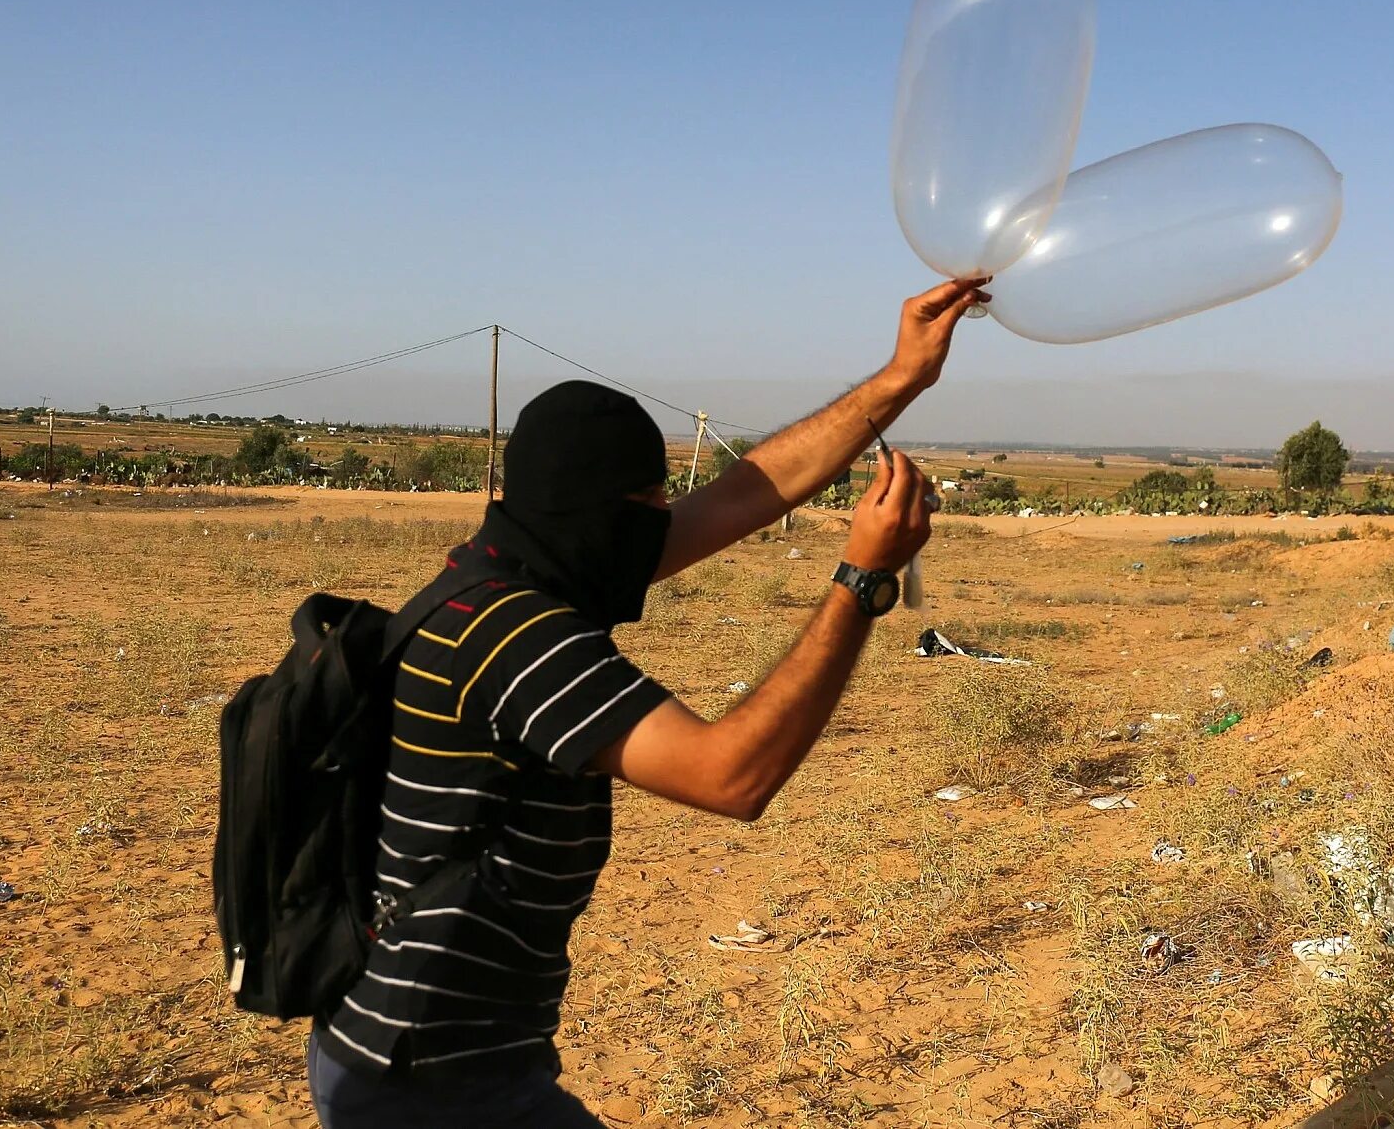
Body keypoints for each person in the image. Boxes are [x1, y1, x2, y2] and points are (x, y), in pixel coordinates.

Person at [307, 279, 988, 1128]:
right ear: (592, 512)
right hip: (434, 1078)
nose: (667, 517)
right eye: (648, 501)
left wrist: (900, 378)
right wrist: (860, 581)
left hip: (417, 1054)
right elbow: (732, 776)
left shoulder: (494, 574)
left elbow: (746, 493)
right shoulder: (520, 636)